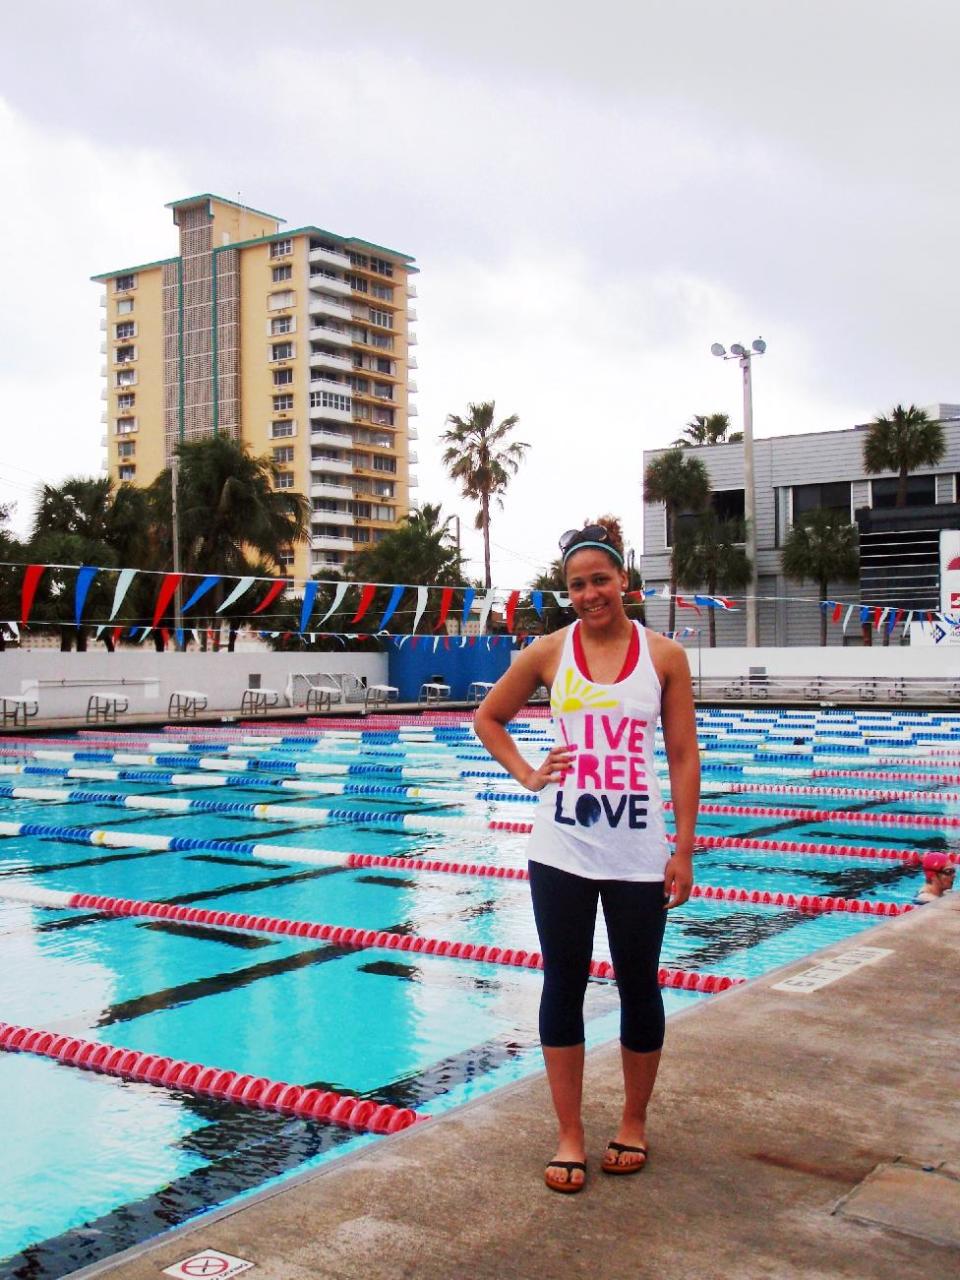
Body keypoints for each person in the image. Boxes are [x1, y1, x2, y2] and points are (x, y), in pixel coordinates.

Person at [474, 524, 700, 1194]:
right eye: (577, 584)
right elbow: (490, 718)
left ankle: (633, 1122)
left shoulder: (665, 657)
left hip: (637, 851)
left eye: (600, 580)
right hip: (561, 850)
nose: (590, 593)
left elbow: (684, 756)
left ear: (624, 581)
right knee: (563, 984)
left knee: (639, 984)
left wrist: (684, 849)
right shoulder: (547, 651)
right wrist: (525, 774)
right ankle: (568, 1132)